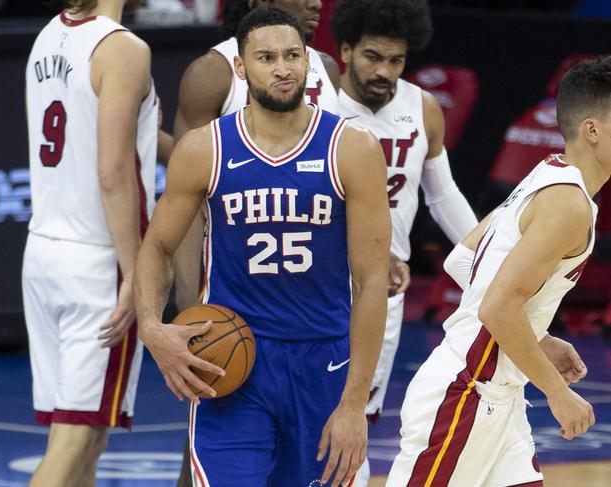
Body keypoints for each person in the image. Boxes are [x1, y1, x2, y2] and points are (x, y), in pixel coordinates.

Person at [134, 7, 391, 487]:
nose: (283, 68)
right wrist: (152, 327)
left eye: (294, 55)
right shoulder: (204, 149)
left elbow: (373, 281)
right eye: (267, 57)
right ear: (240, 67)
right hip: (232, 358)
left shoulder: (352, 149)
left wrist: (355, 404)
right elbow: (157, 247)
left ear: (309, 62)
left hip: (324, 362)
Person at [387, 56, 611, 486]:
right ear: (592, 129)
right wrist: (558, 393)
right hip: (468, 394)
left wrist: (535, 336)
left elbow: (463, 260)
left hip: (497, 399)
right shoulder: (569, 203)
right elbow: (496, 305)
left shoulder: (547, 172)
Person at [329, 1, 478, 484]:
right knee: (314, 409)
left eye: (396, 61)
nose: (384, 71)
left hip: (382, 290)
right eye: (373, 57)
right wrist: (365, 248)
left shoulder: (422, 107)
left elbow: (443, 194)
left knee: (360, 414)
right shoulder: (318, 107)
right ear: (346, 50)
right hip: (320, 279)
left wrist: (486, 254)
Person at [22, 0, 156, 485]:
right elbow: (111, 170)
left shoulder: (47, 37)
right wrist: (134, 270)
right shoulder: (123, 48)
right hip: (98, 258)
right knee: (72, 442)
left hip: (44, 248)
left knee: (87, 434)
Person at [170, 0, 340, 317]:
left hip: (317, 291)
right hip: (235, 285)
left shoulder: (327, 68)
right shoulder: (212, 72)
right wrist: (187, 301)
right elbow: (185, 203)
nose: (315, 3)